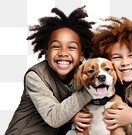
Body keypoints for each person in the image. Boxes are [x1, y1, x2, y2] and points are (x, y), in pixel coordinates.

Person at [5, 6, 95, 135]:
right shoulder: (34, 76)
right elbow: (54, 117)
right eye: (56, 46)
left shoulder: (82, 73)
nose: (63, 52)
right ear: (46, 54)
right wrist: (93, 88)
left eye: (71, 47)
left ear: (81, 56)